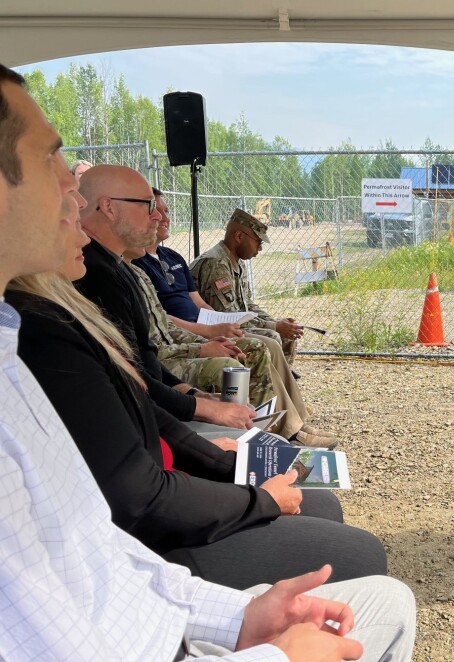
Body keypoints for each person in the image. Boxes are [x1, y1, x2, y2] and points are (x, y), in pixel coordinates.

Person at [0, 62, 415, 662]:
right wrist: (276, 647)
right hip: (159, 573)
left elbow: (101, 542)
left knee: (307, 474)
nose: (71, 184)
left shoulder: (25, 336)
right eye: (51, 158)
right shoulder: (43, 327)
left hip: (154, 599)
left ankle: (285, 431)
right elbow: (136, 494)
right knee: (373, 581)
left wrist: (235, 617)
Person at [8, 222, 385, 587]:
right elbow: (140, 498)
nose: (82, 231)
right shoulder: (43, 334)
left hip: (160, 492)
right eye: (67, 212)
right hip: (145, 542)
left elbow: (143, 406)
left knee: (321, 501)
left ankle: (293, 427)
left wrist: (217, 458)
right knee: (362, 550)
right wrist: (259, 500)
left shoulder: (67, 308)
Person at [132, 190, 336, 447]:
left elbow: (203, 304)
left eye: (167, 211)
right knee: (263, 343)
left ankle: (293, 420)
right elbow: (162, 325)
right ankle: (281, 430)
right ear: (239, 236)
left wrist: (219, 326)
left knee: (271, 338)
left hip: (201, 326)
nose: (162, 217)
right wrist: (207, 338)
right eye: (258, 241)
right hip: (184, 338)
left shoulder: (172, 257)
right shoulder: (210, 264)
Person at [75, 164, 257, 435]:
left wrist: (193, 394)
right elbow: (130, 383)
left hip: (154, 411)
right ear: (109, 207)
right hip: (142, 427)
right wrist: (201, 408)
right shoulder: (94, 275)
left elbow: (144, 363)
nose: (158, 217)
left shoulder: (118, 269)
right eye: (148, 205)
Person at [190, 209, 304, 358]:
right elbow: (226, 316)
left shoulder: (237, 261)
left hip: (234, 325)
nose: (260, 248)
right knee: (273, 336)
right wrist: (274, 326)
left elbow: (247, 304)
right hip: (215, 331)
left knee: (287, 336)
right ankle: (271, 379)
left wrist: (275, 322)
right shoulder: (216, 264)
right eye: (258, 241)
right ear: (239, 236)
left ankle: (281, 377)